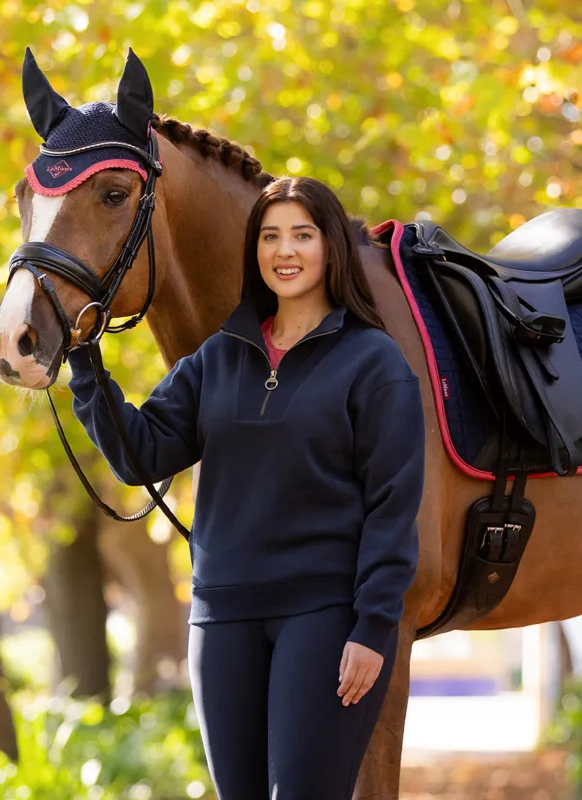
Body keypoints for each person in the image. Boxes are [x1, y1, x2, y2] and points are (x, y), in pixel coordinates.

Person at [66, 176, 426, 799]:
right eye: (270, 236)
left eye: (302, 236)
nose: (285, 251)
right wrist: (84, 364)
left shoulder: (374, 362)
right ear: (254, 252)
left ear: (331, 248)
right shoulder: (218, 357)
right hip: (222, 617)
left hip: (324, 615)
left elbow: (393, 504)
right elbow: (140, 452)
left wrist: (373, 627)